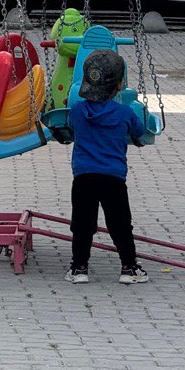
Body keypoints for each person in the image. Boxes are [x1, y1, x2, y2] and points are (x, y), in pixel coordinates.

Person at [65, 50, 150, 285]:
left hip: (83, 177)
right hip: (113, 178)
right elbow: (139, 132)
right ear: (119, 84)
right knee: (120, 224)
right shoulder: (124, 113)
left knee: (82, 224)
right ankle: (129, 268)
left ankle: (79, 269)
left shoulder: (78, 111)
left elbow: (71, 127)